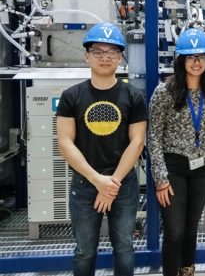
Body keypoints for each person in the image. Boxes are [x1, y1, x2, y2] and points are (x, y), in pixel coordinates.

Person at [56, 22, 148, 276]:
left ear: (120, 58)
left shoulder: (133, 96)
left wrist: (112, 184)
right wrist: (98, 181)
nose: (106, 57)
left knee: (125, 248)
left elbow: (137, 142)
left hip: (123, 185)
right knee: (85, 250)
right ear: (87, 55)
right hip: (86, 184)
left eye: (113, 52)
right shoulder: (71, 96)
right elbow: (65, 142)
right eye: (98, 51)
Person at [148, 28, 205, 276]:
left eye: (201, 56)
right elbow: (153, 138)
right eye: (190, 57)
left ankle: (187, 271)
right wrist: (160, 178)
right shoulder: (164, 93)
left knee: (191, 229)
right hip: (173, 168)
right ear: (180, 60)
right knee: (174, 231)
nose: (196, 62)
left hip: (203, 168)